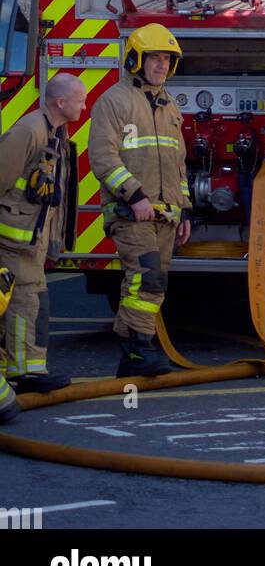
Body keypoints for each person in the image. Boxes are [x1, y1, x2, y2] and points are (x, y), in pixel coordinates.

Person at [88, 23, 192, 378]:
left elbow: (179, 163)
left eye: (166, 59)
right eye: (154, 58)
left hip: (165, 216)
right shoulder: (115, 101)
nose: (161, 66)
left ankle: (137, 353)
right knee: (143, 278)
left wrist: (186, 210)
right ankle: (137, 350)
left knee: (155, 282)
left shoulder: (169, 106)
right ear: (135, 59)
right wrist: (134, 197)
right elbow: (103, 157)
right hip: (130, 213)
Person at [0, 72, 88, 409]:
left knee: (31, 300)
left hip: (29, 240)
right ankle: (25, 374)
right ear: (60, 103)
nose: (84, 104)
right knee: (25, 302)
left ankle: (25, 369)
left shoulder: (56, 133)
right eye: (79, 99)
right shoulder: (30, 130)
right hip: (13, 238)